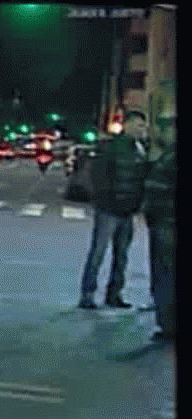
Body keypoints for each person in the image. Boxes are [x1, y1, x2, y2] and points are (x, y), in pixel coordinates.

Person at [78, 111, 150, 309]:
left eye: (143, 126)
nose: (141, 130)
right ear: (126, 125)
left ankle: (114, 294)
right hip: (109, 209)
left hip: (128, 209)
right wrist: (105, 198)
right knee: (98, 252)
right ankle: (88, 293)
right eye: (138, 126)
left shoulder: (141, 149)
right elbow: (98, 176)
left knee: (122, 256)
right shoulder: (111, 148)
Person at [141, 110, 176, 341]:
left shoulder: (172, 156)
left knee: (165, 274)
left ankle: (168, 324)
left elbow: (160, 188)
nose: (160, 133)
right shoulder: (167, 154)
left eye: (164, 129)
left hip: (167, 222)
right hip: (163, 221)